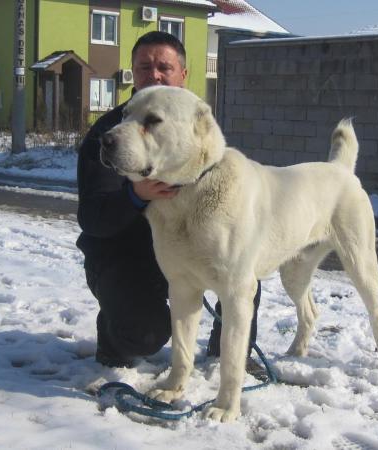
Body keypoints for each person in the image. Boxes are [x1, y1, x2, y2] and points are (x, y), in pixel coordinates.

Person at [76, 31, 260, 368]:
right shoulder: (109, 133)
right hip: (125, 257)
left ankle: (229, 355)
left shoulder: (197, 126)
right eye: (144, 67)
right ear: (132, 72)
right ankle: (113, 338)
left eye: (165, 66)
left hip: (187, 245)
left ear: (183, 74)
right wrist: (135, 195)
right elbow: (93, 218)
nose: (154, 75)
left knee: (242, 268)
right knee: (144, 333)